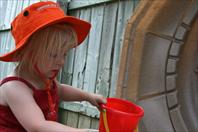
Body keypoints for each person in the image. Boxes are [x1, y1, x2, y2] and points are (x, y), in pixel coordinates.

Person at [0, 1, 106, 132]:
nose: (61, 61)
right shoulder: (15, 87)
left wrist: (88, 97)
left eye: (64, 54)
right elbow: (38, 126)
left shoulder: (44, 78)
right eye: (53, 54)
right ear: (26, 53)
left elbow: (60, 90)